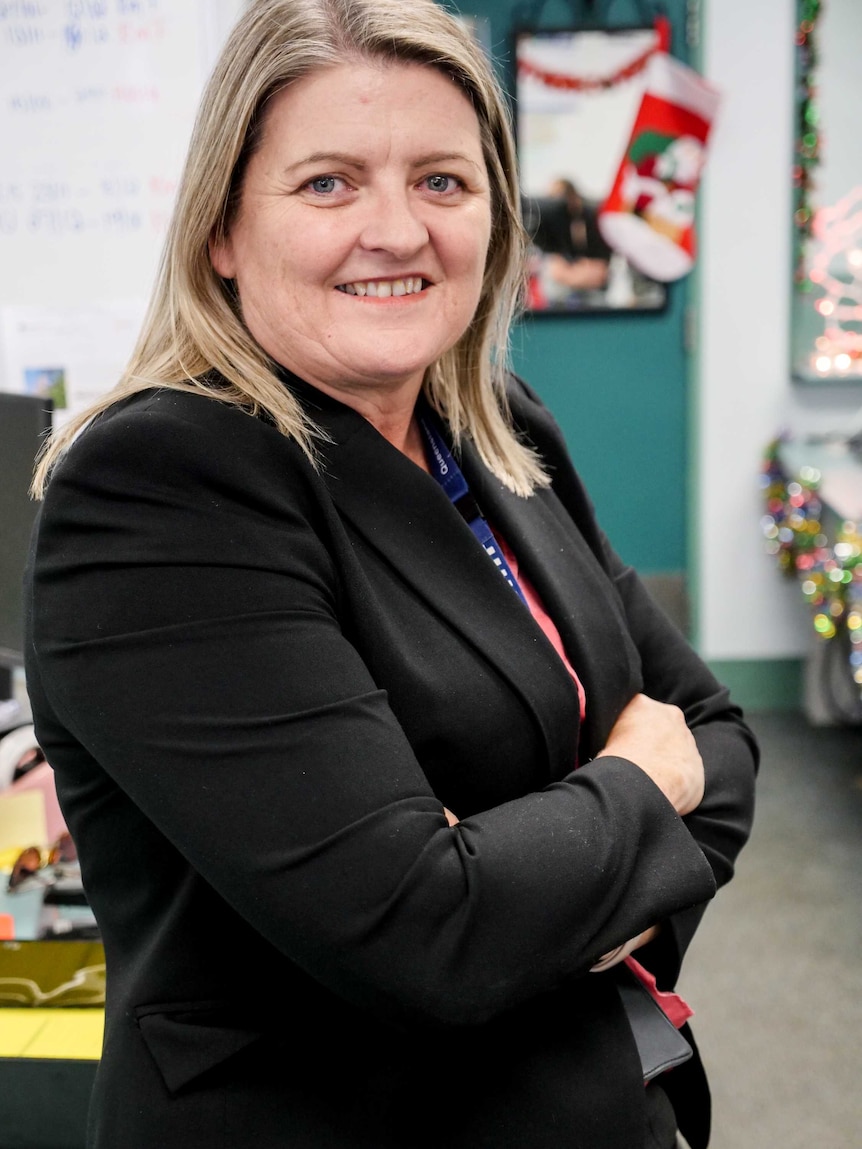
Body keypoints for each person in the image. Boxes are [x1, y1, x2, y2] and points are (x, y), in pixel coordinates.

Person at [23, 2, 757, 1147]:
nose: (396, 230)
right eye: (327, 183)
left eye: (442, 182)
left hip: (593, 1092)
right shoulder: (160, 489)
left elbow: (717, 736)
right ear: (222, 228)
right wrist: (636, 784)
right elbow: (431, 936)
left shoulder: (498, 430)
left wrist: (535, 874)